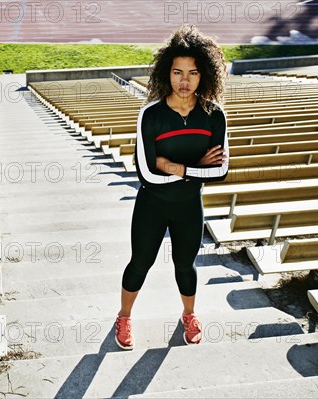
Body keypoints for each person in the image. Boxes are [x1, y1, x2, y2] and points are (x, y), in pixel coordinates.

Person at [115, 25, 229, 349]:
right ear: (167, 73)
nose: (184, 80)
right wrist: (196, 169)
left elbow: (220, 171)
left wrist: (174, 166)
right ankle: (123, 316)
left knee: (185, 265)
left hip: (189, 205)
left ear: (203, 74)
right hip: (152, 203)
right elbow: (147, 174)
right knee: (140, 263)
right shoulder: (150, 115)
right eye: (178, 72)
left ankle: (189, 315)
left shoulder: (213, 116)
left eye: (193, 73)